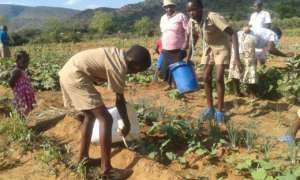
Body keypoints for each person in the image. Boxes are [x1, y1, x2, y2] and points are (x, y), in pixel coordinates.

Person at [58, 45, 151, 179]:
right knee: (106, 119)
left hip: (70, 73)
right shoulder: (119, 66)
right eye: (138, 70)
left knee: (89, 116)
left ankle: (83, 159)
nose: (136, 73)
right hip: (75, 76)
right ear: (132, 62)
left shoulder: (118, 55)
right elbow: (119, 100)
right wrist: (127, 125)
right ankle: (107, 170)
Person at [185, 0, 242, 125]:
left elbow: (233, 34)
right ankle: (210, 108)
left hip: (222, 47)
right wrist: (188, 57)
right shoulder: (192, 22)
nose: (191, 13)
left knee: (219, 78)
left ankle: (220, 111)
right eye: (189, 11)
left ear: (201, 8)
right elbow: (193, 38)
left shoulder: (212, 17)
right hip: (210, 48)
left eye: (193, 9)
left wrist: (236, 57)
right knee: (205, 77)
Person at [228, 26, 295, 98]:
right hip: (248, 40)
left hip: (236, 37)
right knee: (250, 68)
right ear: (278, 35)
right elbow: (271, 49)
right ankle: (252, 94)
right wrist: (285, 55)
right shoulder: (273, 34)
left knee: (236, 66)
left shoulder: (263, 31)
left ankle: (237, 92)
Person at [159, 0, 188, 90]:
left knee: (176, 67)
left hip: (178, 48)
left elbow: (187, 31)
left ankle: (177, 85)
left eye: (170, 6)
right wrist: (160, 45)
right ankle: (169, 84)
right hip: (166, 48)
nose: (168, 9)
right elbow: (163, 33)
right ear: (164, 8)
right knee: (165, 68)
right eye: (166, 7)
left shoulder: (181, 16)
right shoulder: (163, 18)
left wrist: (186, 44)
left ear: (174, 7)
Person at [9, 51, 36, 117]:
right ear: (17, 61)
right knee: (22, 109)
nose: (26, 64)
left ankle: (23, 123)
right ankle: (21, 124)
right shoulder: (17, 71)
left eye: (27, 62)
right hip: (21, 95)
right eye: (24, 61)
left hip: (24, 95)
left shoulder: (21, 70)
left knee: (25, 109)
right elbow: (11, 82)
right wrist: (18, 90)